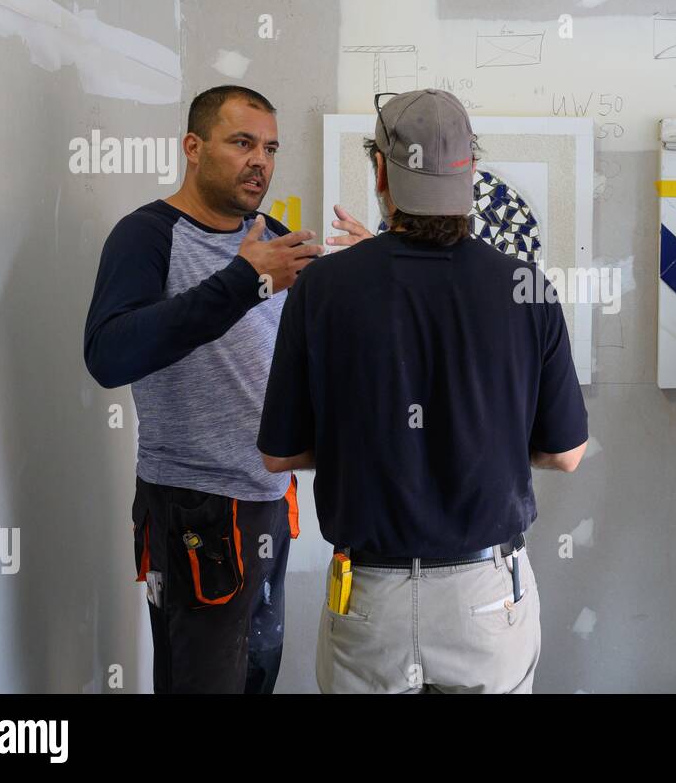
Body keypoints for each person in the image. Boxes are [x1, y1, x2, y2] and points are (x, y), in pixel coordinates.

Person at [257, 88, 588, 693]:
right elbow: (565, 453)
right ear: (471, 173)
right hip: (487, 596)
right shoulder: (526, 288)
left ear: (380, 171)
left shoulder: (322, 289)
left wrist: (369, 442)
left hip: (367, 601)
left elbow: (279, 454)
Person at [83, 85, 369, 693]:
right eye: (241, 142)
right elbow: (109, 356)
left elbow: (333, 354)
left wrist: (379, 279)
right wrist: (244, 279)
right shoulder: (147, 236)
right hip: (194, 506)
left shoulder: (275, 237)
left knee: (257, 677)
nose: (259, 161)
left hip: (269, 499)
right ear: (193, 146)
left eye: (269, 147)